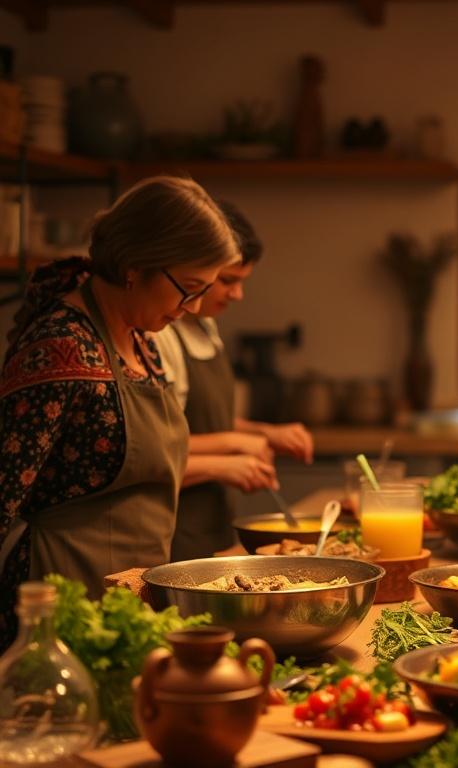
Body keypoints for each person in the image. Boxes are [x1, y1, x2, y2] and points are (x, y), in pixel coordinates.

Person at [0, 176, 240, 652]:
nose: (190, 308)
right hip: (62, 614)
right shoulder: (61, 346)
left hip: (131, 606)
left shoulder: (142, 343)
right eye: (187, 289)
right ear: (135, 267)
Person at [153, 201, 314, 562]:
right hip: (177, 530)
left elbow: (194, 420)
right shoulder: (161, 334)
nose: (237, 294)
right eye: (227, 281)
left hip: (213, 521)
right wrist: (232, 449)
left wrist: (262, 433)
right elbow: (157, 446)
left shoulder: (205, 327)